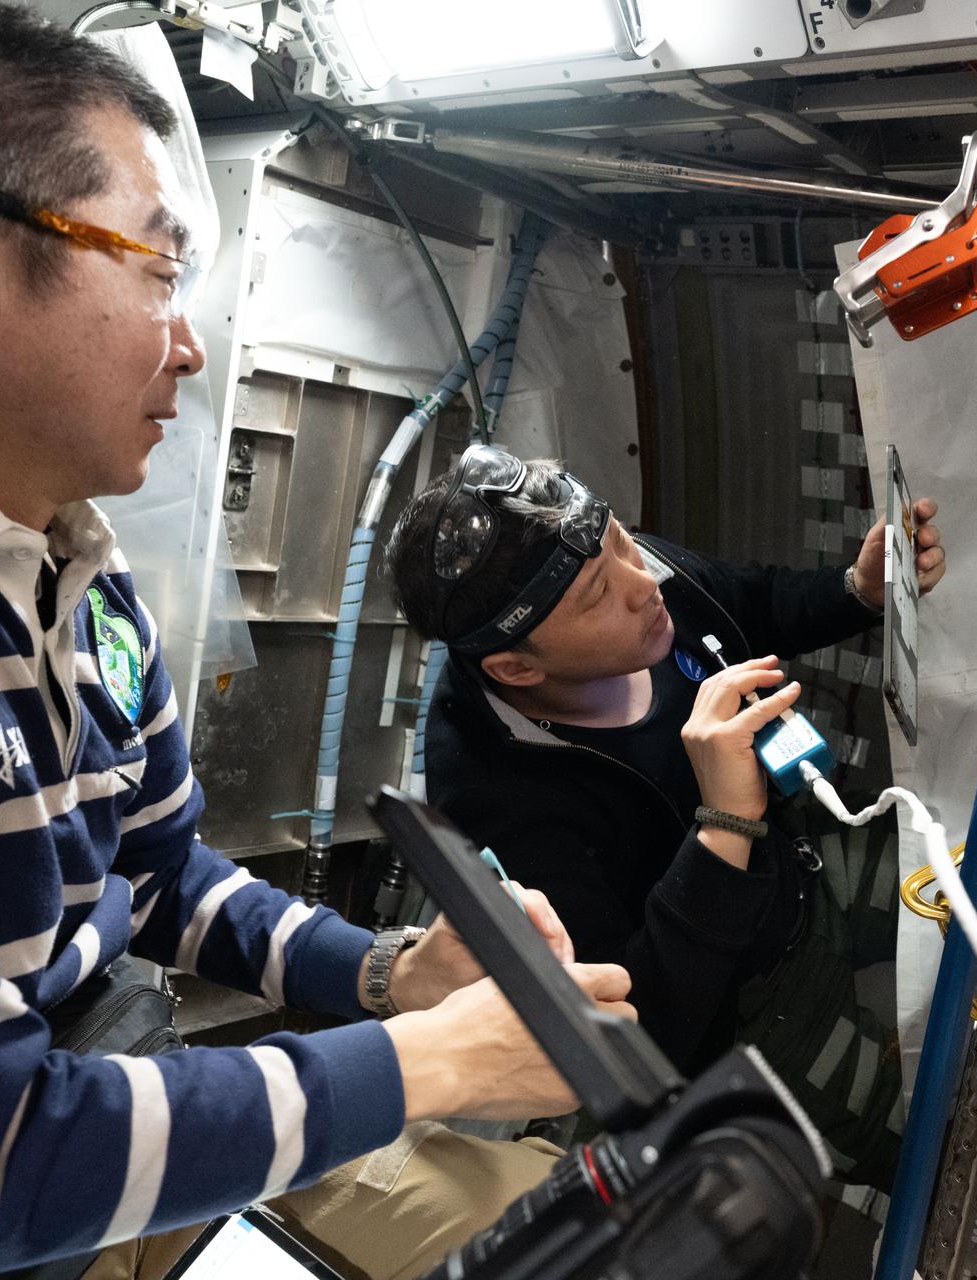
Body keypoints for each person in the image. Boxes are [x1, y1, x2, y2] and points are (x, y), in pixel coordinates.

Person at [0, 6, 631, 1277]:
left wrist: (386, 976)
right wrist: (431, 1062)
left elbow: (150, 870)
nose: (191, 346)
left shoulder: (67, 564)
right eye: (155, 271)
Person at [385, 446, 944, 1184]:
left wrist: (855, 591)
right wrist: (723, 828)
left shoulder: (624, 568)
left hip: (806, 862)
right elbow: (641, 1022)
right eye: (595, 596)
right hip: (751, 1012)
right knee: (939, 1144)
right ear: (518, 669)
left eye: (622, 540)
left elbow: (746, 600)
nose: (644, 582)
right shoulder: (493, 794)